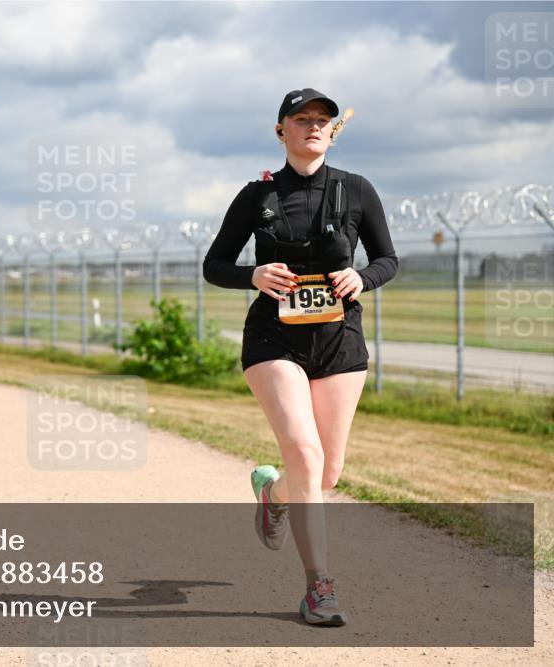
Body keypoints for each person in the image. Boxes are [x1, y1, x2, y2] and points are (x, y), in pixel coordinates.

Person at [203, 88, 398, 626]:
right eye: (301, 118)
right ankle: (319, 588)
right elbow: (214, 264)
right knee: (306, 456)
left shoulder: (356, 190)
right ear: (281, 130)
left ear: (333, 132)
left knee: (327, 472)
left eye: (322, 120)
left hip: (340, 340)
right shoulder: (256, 196)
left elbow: (387, 258)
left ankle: (273, 492)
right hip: (273, 339)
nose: (313, 126)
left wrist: (362, 277)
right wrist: (252, 275)